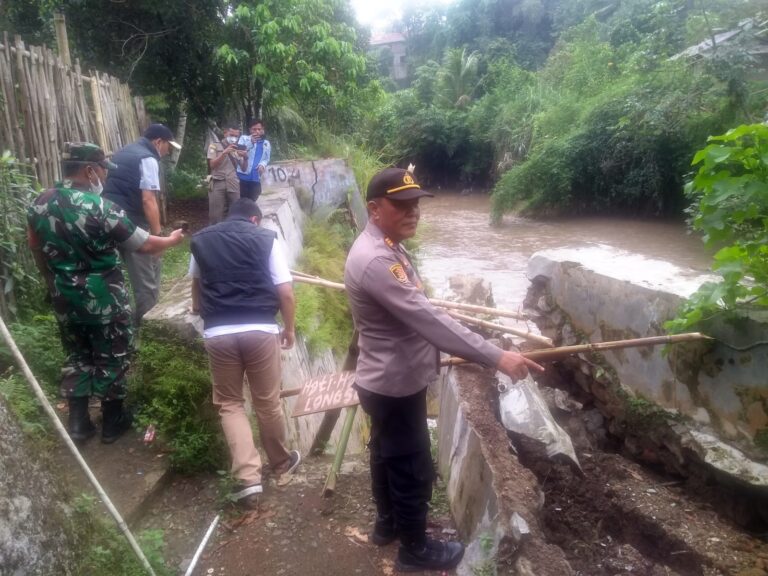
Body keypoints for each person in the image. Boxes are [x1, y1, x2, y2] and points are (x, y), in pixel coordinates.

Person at [344, 167, 544, 572]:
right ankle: (414, 550)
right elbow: (429, 321)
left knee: (385, 455)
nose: (413, 212)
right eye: (401, 205)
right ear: (374, 208)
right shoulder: (378, 259)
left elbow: (417, 308)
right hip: (395, 385)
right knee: (412, 466)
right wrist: (496, 355)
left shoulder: (384, 246)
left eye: (416, 204)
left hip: (382, 379)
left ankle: (389, 527)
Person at [27, 142, 185, 444]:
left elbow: (35, 246)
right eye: (102, 170)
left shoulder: (40, 202)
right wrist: (172, 240)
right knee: (112, 354)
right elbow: (146, 244)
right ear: (89, 170)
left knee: (77, 354)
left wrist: (51, 281)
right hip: (104, 298)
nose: (104, 176)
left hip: (64, 296)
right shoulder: (102, 208)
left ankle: (78, 423)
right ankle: (113, 421)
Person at [189, 198, 300, 509]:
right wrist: (288, 329)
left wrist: (198, 309)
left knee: (229, 404)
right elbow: (285, 291)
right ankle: (280, 463)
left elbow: (196, 284)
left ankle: (248, 479)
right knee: (267, 401)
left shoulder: (201, 240)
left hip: (219, 332)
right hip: (261, 329)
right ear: (255, 220)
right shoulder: (266, 239)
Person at [103, 123, 181, 326]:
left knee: (112, 279)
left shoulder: (123, 152)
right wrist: (158, 237)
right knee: (147, 282)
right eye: (167, 146)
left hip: (108, 221)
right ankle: (149, 331)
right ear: (158, 142)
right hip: (131, 224)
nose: (167, 151)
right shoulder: (148, 158)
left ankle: (120, 324)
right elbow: (148, 199)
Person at [206, 124, 247, 224]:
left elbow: (244, 168)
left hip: (233, 182)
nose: (234, 138)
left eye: (236, 136)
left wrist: (246, 157)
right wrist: (224, 153)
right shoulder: (214, 146)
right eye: (231, 135)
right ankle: (215, 235)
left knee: (236, 212)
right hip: (217, 182)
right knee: (215, 214)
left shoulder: (237, 148)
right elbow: (212, 165)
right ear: (225, 133)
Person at [236, 120, 271, 201]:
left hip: (256, 177)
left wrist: (262, 165)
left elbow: (266, 158)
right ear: (250, 130)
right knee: (243, 201)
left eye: (259, 129)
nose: (257, 131)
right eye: (254, 129)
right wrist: (251, 142)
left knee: (254, 200)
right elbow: (239, 152)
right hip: (243, 176)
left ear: (263, 130)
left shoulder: (266, 143)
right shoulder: (244, 138)